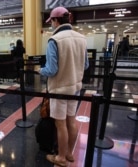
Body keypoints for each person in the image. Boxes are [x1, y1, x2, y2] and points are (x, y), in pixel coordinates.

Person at [36, 7, 89, 167]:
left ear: (55, 20)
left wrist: (40, 70)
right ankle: (69, 154)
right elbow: (86, 65)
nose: (51, 24)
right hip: (75, 89)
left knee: (60, 124)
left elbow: (51, 69)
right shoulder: (82, 38)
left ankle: (60, 158)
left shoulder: (55, 40)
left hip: (59, 90)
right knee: (71, 122)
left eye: (51, 21)